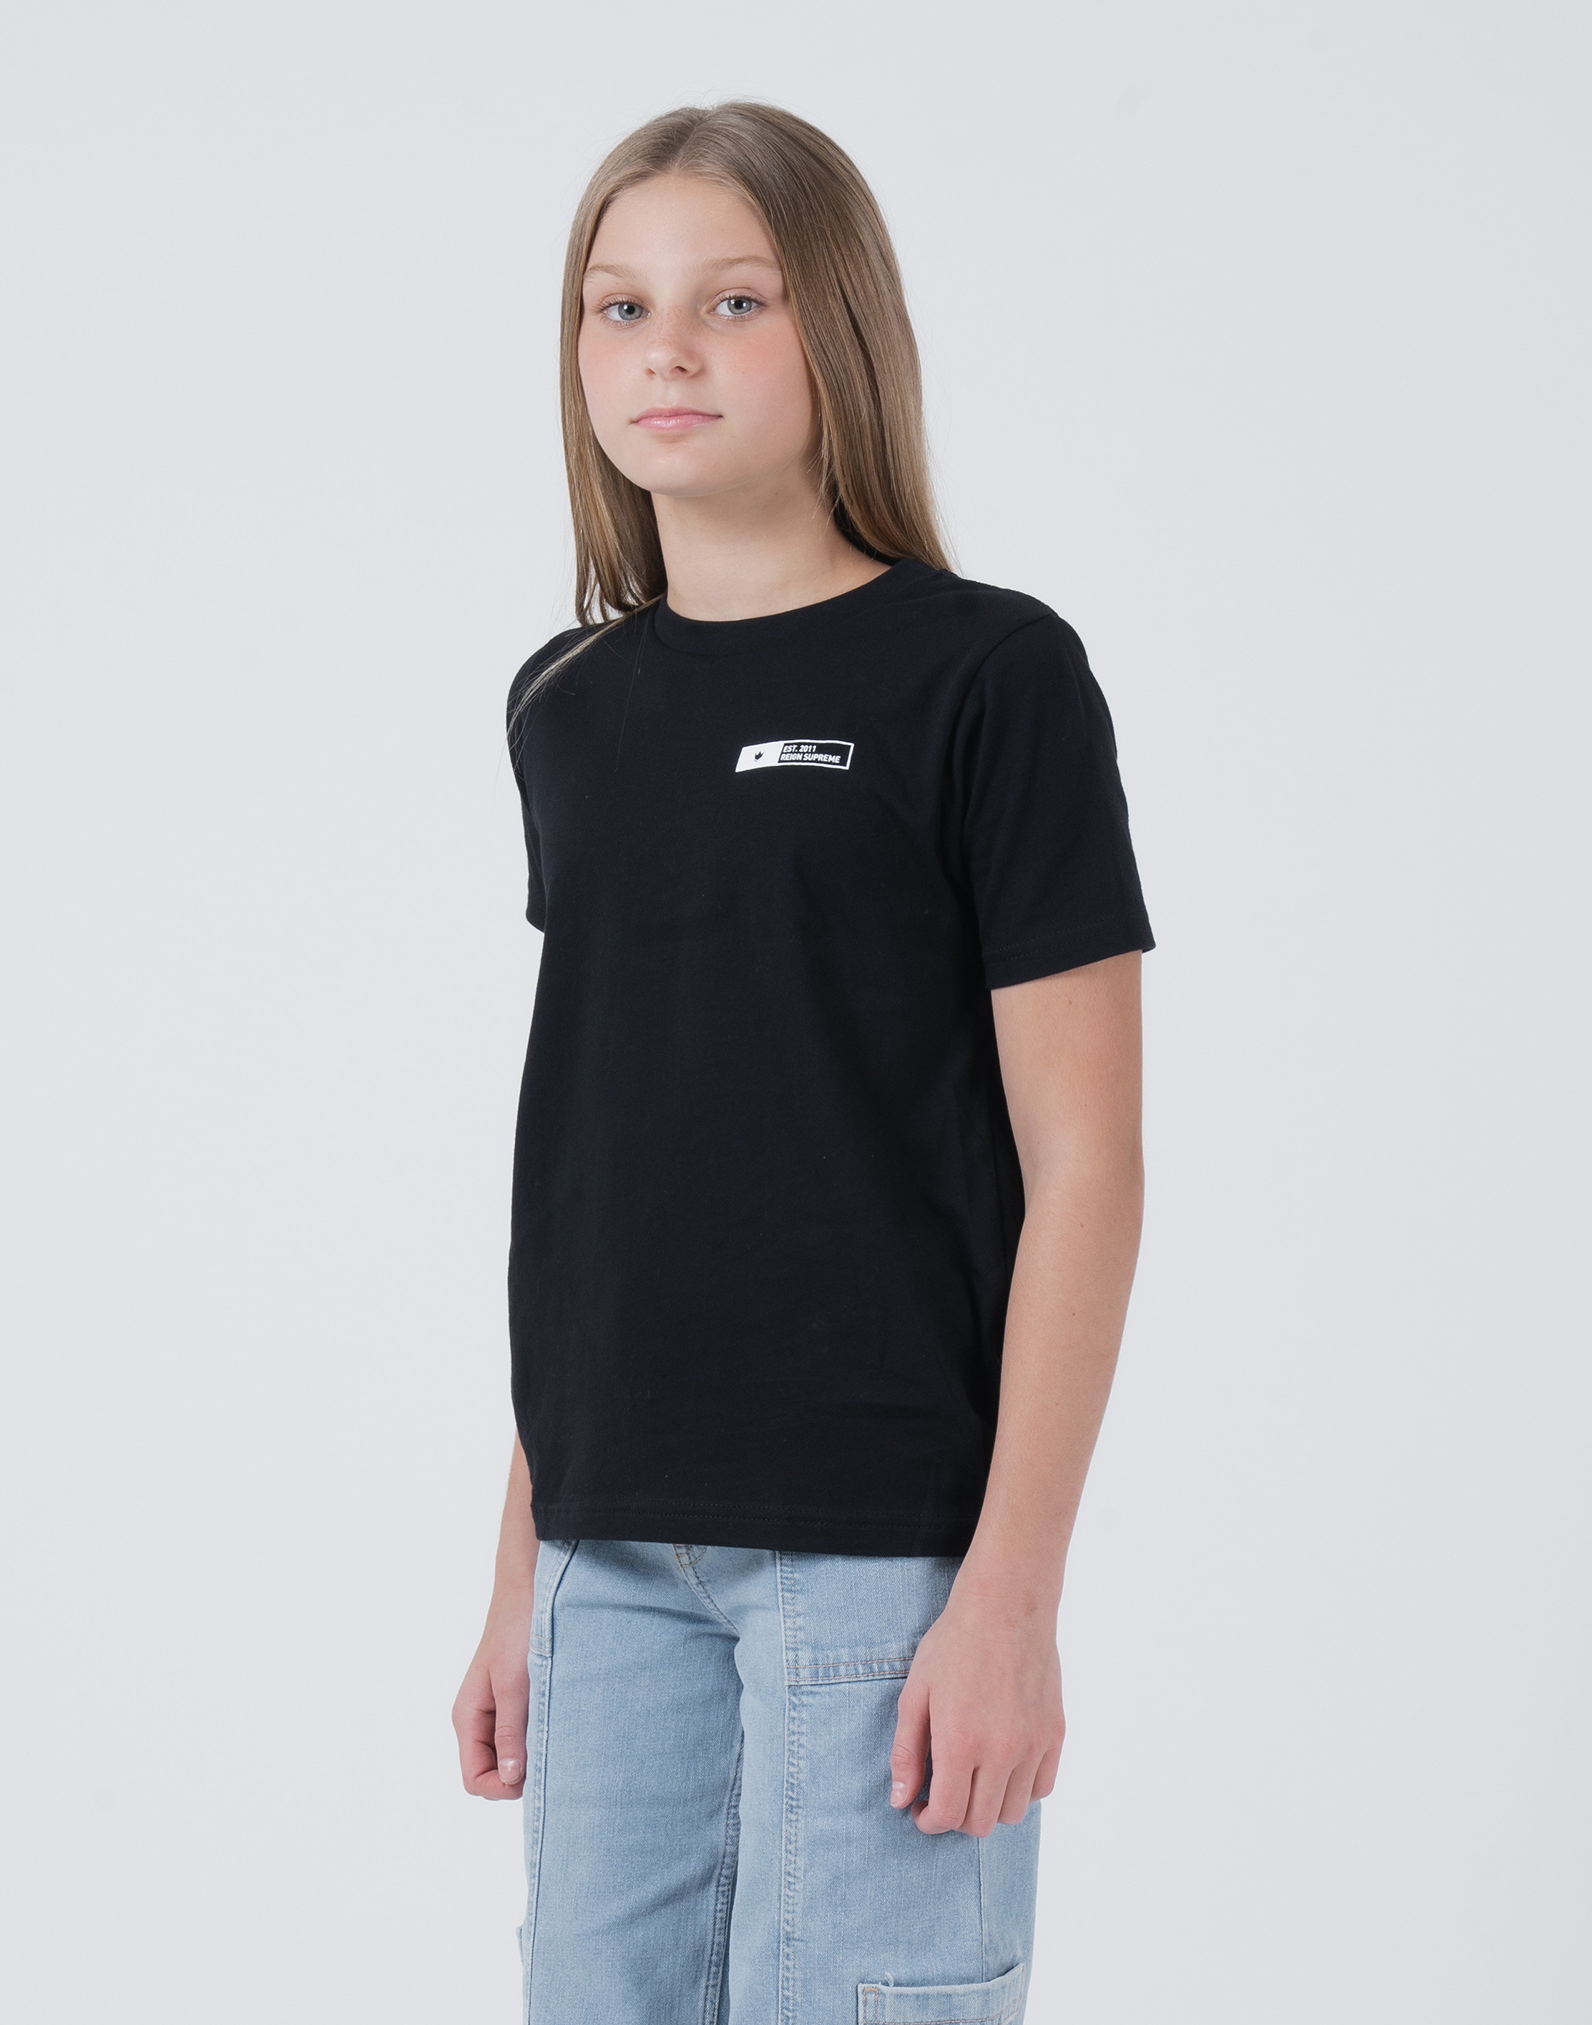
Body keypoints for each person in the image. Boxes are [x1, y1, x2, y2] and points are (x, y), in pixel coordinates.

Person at [451, 101, 1154, 2025]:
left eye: (732, 300)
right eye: (619, 305)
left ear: (835, 325)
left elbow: (1088, 1164)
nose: (663, 350)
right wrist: (522, 1568)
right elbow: (610, 1161)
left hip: (880, 1557)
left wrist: (1010, 1593)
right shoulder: (567, 707)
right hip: (608, 1556)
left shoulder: (989, 676)